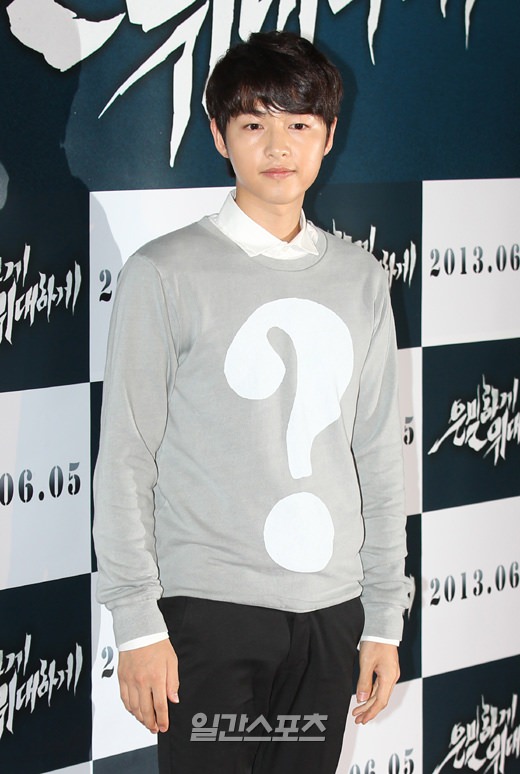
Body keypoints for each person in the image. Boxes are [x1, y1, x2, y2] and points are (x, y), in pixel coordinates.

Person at [93, 30, 412, 774]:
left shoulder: (362, 279)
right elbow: (127, 456)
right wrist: (138, 623)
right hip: (210, 616)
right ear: (219, 136)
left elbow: (376, 459)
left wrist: (383, 619)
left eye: (299, 123)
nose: (278, 146)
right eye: (253, 123)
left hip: (331, 617)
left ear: (328, 135)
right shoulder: (163, 273)